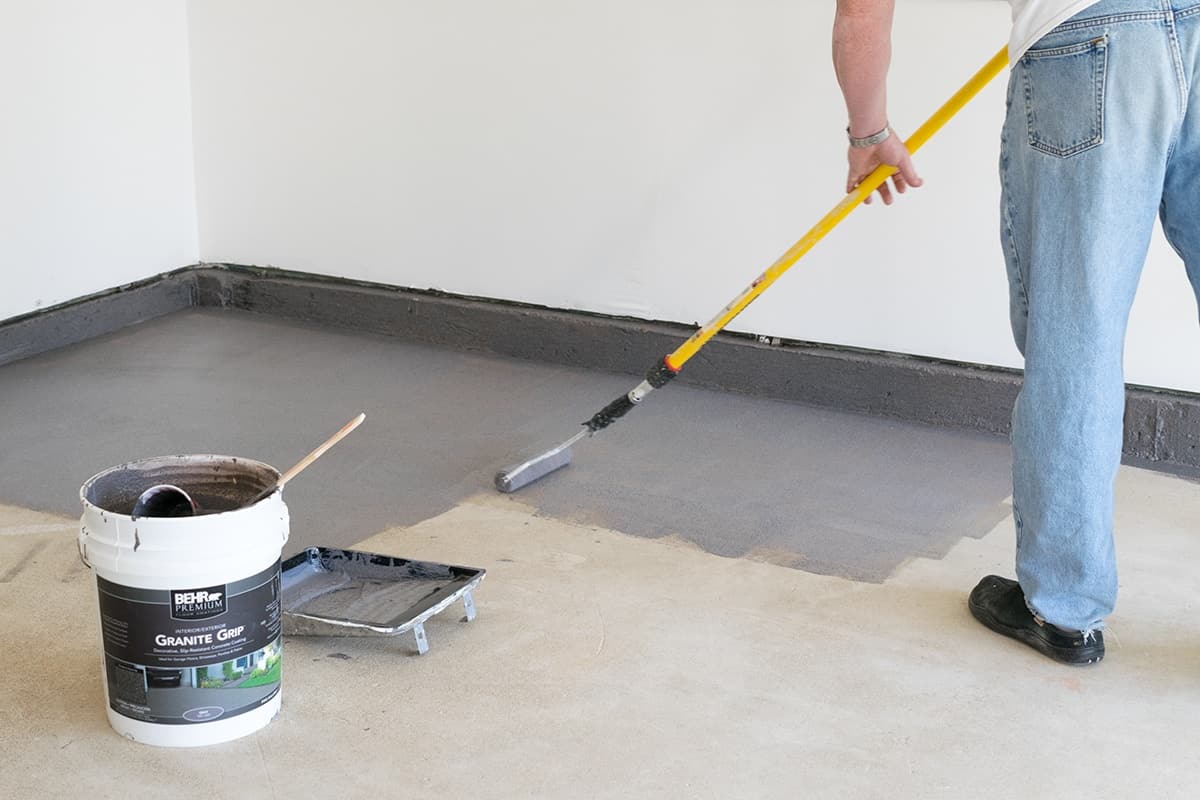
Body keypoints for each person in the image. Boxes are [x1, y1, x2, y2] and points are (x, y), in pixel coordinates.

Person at [833, 0, 1200, 665]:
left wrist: (867, 133)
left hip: (1095, 43)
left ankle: (1064, 609)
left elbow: (862, 12)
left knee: (1075, 336)